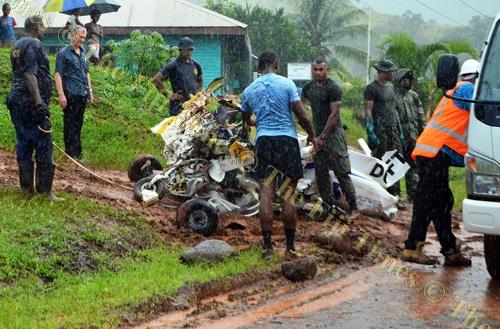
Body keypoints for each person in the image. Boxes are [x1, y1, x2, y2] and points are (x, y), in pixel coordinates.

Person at [402, 59, 479, 267]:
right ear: (477, 77)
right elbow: (484, 107)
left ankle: (450, 250)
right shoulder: (466, 90)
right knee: (426, 202)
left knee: (441, 203)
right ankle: (412, 247)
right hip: (435, 152)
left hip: (433, 154)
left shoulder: (456, 89)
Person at [241, 52, 316, 260]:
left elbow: (246, 119)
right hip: (287, 141)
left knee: (266, 193)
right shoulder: (287, 84)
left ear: (260, 66)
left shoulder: (249, 90)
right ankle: (290, 248)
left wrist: (257, 122)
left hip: (264, 142)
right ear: (274, 64)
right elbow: (301, 115)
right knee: (288, 195)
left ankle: (267, 248)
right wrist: (312, 136)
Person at [6, 15, 63, 201]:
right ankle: (45, 192)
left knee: (24, 141)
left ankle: (26, 189)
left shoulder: (16, 45)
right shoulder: (34, 43)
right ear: (37, 27)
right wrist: (39, 103)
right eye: (43, 27)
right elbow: (30, 75)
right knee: (44, 142)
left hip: (16, 101)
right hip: (29, 101)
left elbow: (18, 73)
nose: (44, 30)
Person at [301, 58, 359, 220]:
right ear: (311, 70)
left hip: (334, 135)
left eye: (321, 69)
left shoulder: (333, 88)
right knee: (321, 172)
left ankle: (353, 206)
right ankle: (328, 207)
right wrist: (311, 135)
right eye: (315, 70)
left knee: (341, 171)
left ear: (327, 70)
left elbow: (333, 116)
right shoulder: (308, 88)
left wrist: (322, 137)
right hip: (318, 135)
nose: (318, 73)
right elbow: (302, 109)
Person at [364, 59, 406, 210]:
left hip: (392, 128)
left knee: (396, 162)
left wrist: (399, 129)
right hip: (379, 129)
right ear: (383, 72)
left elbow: (394, 109)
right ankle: (379, 196)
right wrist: (370, 129)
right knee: (380, 162)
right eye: (391, 71)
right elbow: (368, 109)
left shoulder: (392, 87)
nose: (394, 73)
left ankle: (395, 196)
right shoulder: (371, 88)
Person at [55, 25, 93, 163]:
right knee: (69, 124)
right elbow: (58, 74)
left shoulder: (83, 53)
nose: (82, 40)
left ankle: (78, 152)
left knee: (78, 124)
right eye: (80, 37)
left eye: (84, 37)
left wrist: (90, 91)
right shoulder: (64, 53)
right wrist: (61, 95)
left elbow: (86, 73)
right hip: (70, 93)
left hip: (82, 94)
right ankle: (70, 153)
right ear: (73, 35)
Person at [394, 69, 426, 202]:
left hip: (413, 139)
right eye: (404, 78)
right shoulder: (393, 95)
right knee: (396, 165)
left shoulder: (414, 96)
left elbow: (421, 117)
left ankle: (413, 195)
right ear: (399, 80)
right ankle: (395, 195)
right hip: (397, 138)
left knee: (413, 167)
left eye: (409, 79)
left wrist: (422, 135)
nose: (407, 81)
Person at [153, 37, 203, 116]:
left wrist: (199, 93)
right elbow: (156, 80)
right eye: (187, 50)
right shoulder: (173, 65)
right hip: (178, 107)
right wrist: (168, 95)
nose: (189, 52)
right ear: (181, 50)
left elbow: (200, 79)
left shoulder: (196, 64)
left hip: (194, 106)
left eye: (191, 50)